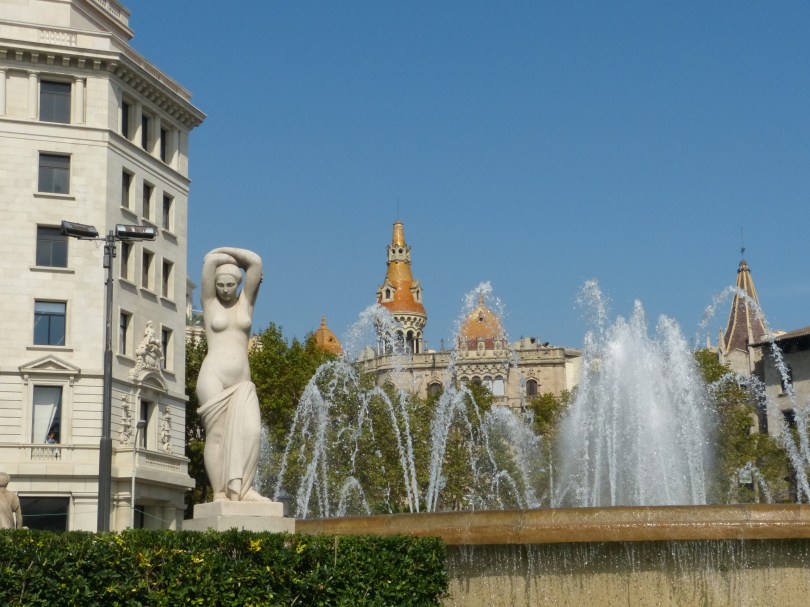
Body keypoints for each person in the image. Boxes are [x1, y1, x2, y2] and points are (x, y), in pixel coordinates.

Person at [197, 247, 267, 502]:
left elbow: (255, 262)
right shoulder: (209, 304)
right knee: (217, 435)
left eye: (230, 285)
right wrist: (219, 257)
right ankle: (220, 492)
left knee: (252, 432)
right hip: (212, 377)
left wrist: (226, 254)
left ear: (239, 284)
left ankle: (244, 488)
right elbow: (209, 261)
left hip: (242, 382)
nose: (225, 290)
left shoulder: (246, 303)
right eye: (220, 285)